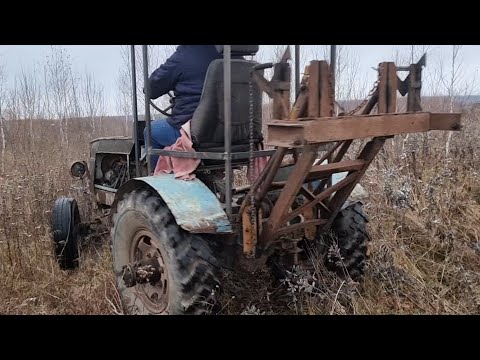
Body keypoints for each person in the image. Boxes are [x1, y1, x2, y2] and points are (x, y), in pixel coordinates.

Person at [144, 45, 222, 167]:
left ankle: (159, 178)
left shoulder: (185, 54)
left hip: (197, 131)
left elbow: (151, 89)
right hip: (230, 133)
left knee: (150, 131)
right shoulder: (233, 57)